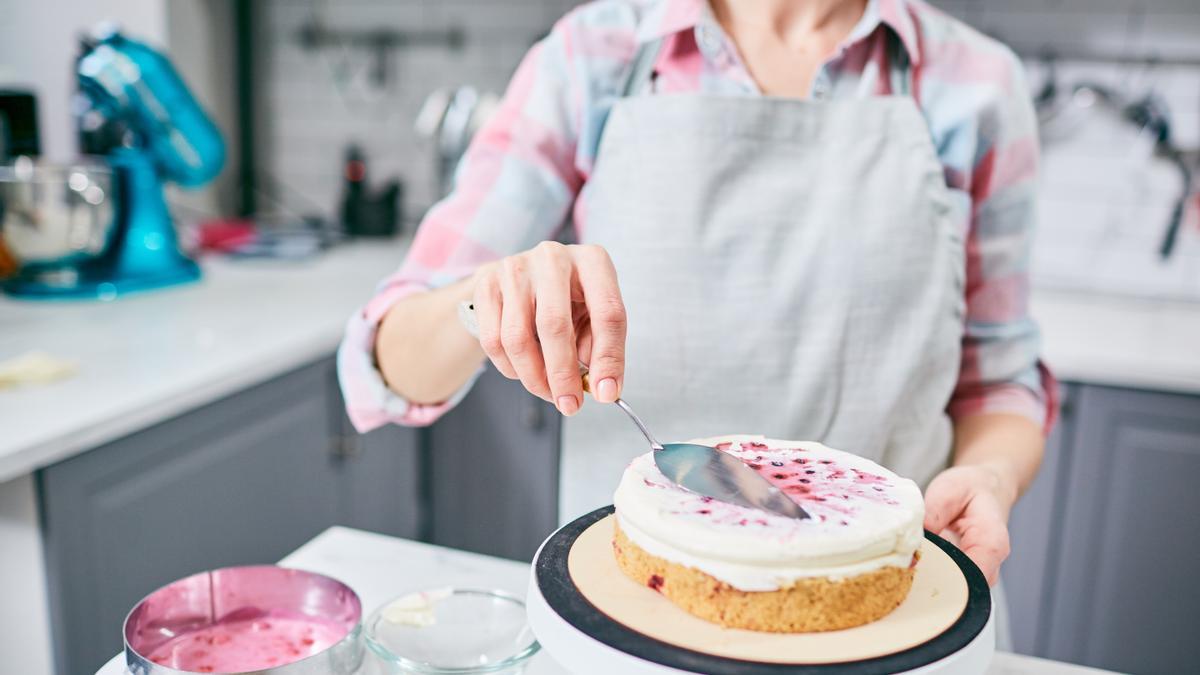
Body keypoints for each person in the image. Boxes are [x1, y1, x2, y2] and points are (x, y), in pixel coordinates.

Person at [338, 0, 1057, 639]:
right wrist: (485, 296)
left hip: (894, 619)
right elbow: (383, 363)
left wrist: (990, 476)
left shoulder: (974, 83)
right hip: (636, 619)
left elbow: (999, 379)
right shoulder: (591, 58)